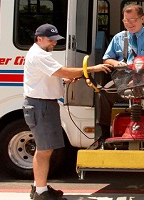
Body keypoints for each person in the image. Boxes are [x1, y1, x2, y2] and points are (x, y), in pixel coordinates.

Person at [23, 23, 111, 200]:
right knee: (44, 150)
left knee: (43, 148)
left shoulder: (40, 53)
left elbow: (54, 75)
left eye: (56, 40)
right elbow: (62, 71)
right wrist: (92, 69)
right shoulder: (40, 55)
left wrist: (64, 79)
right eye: (51, 40)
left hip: (43, 104)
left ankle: (39, 187)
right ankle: (41, 192)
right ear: (39, 39)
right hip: (42, 106)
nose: (54, 43)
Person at [97, 4, 144, 142]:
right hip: (124, 80)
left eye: (133, 20)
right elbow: (106, 59)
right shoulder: (118, 38)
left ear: (142, 19)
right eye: (126, 20)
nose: (129, 23)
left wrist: (142, 75)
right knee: (103, 92)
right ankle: (103, 133)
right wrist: (116, 63)